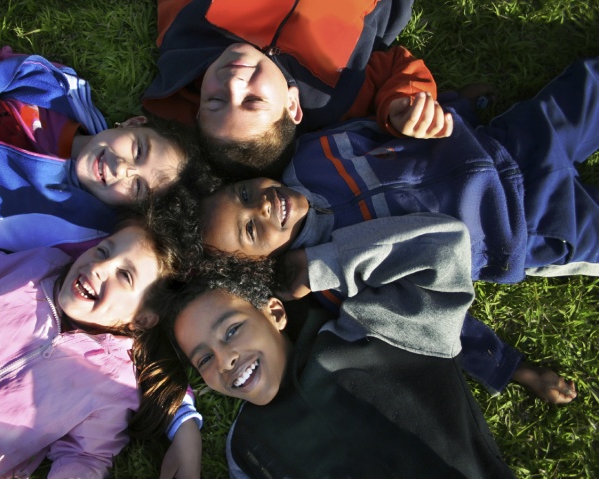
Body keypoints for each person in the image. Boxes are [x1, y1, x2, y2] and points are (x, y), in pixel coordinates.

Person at [193, 57, 599, 403]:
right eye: (251, 230)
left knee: (589, 85)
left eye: (245, 193)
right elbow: (436, 322)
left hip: (510, 143)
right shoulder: (335, 283)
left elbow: (390, 129)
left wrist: (458, 107)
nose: (261, 206)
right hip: (530, 227)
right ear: (262, 265)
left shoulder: (311, 155)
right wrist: (513, 370)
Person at [154, 213, 515, 478]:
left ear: (275, 313)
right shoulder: (246, 448)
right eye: (203, 358)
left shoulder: (379, 330)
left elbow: (443, 246)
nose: (225, 359)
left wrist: (316, 267)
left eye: (231, 331)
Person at [0, 213, 202, 479]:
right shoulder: (36, 269)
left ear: (143, 319)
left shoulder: (114, 385)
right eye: (103, 251)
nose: (99, 267)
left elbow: (85, 454)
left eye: (125, 275)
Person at [0, 38, 199, 265]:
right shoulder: (59, 90)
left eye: (138, 186)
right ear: (133, 122)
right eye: (139, 150)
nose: (122, 168)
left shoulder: (80, 229)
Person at [142, 0, 455, 178]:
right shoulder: (335, 95)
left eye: (216, 99)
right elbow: (396, 65)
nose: (234, 83)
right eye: (252, 100)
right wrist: (402, 102)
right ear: (292, 106)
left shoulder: (188, 31)